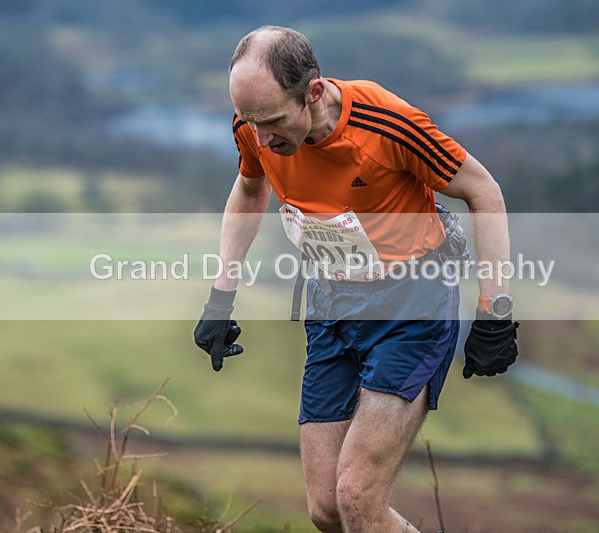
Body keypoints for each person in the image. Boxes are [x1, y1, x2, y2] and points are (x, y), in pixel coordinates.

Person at [194, 26, 519, 532]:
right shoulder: (255, 124)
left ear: (314, 92)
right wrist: (220, 299)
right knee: (326, 510)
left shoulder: (386, 124)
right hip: (331, 305)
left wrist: (495, 312)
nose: (260, 139)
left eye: (274, 120)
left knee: (356, 496)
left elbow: (484, 192)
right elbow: (249, 190)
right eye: (250, 122)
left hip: (411, 309)